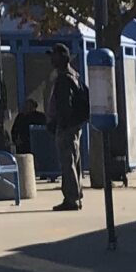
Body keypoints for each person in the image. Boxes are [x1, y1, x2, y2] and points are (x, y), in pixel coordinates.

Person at [45, 45, 89, 211]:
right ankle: (76, 195)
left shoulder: (64, 79)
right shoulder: (74, 76)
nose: (51, 60)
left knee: (67, 162)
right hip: (74, 126)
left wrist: (59, 124)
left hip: (66, 127)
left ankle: (71, 198)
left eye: (54, 56)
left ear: (62, 58)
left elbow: (65, 105)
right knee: (74, 161)